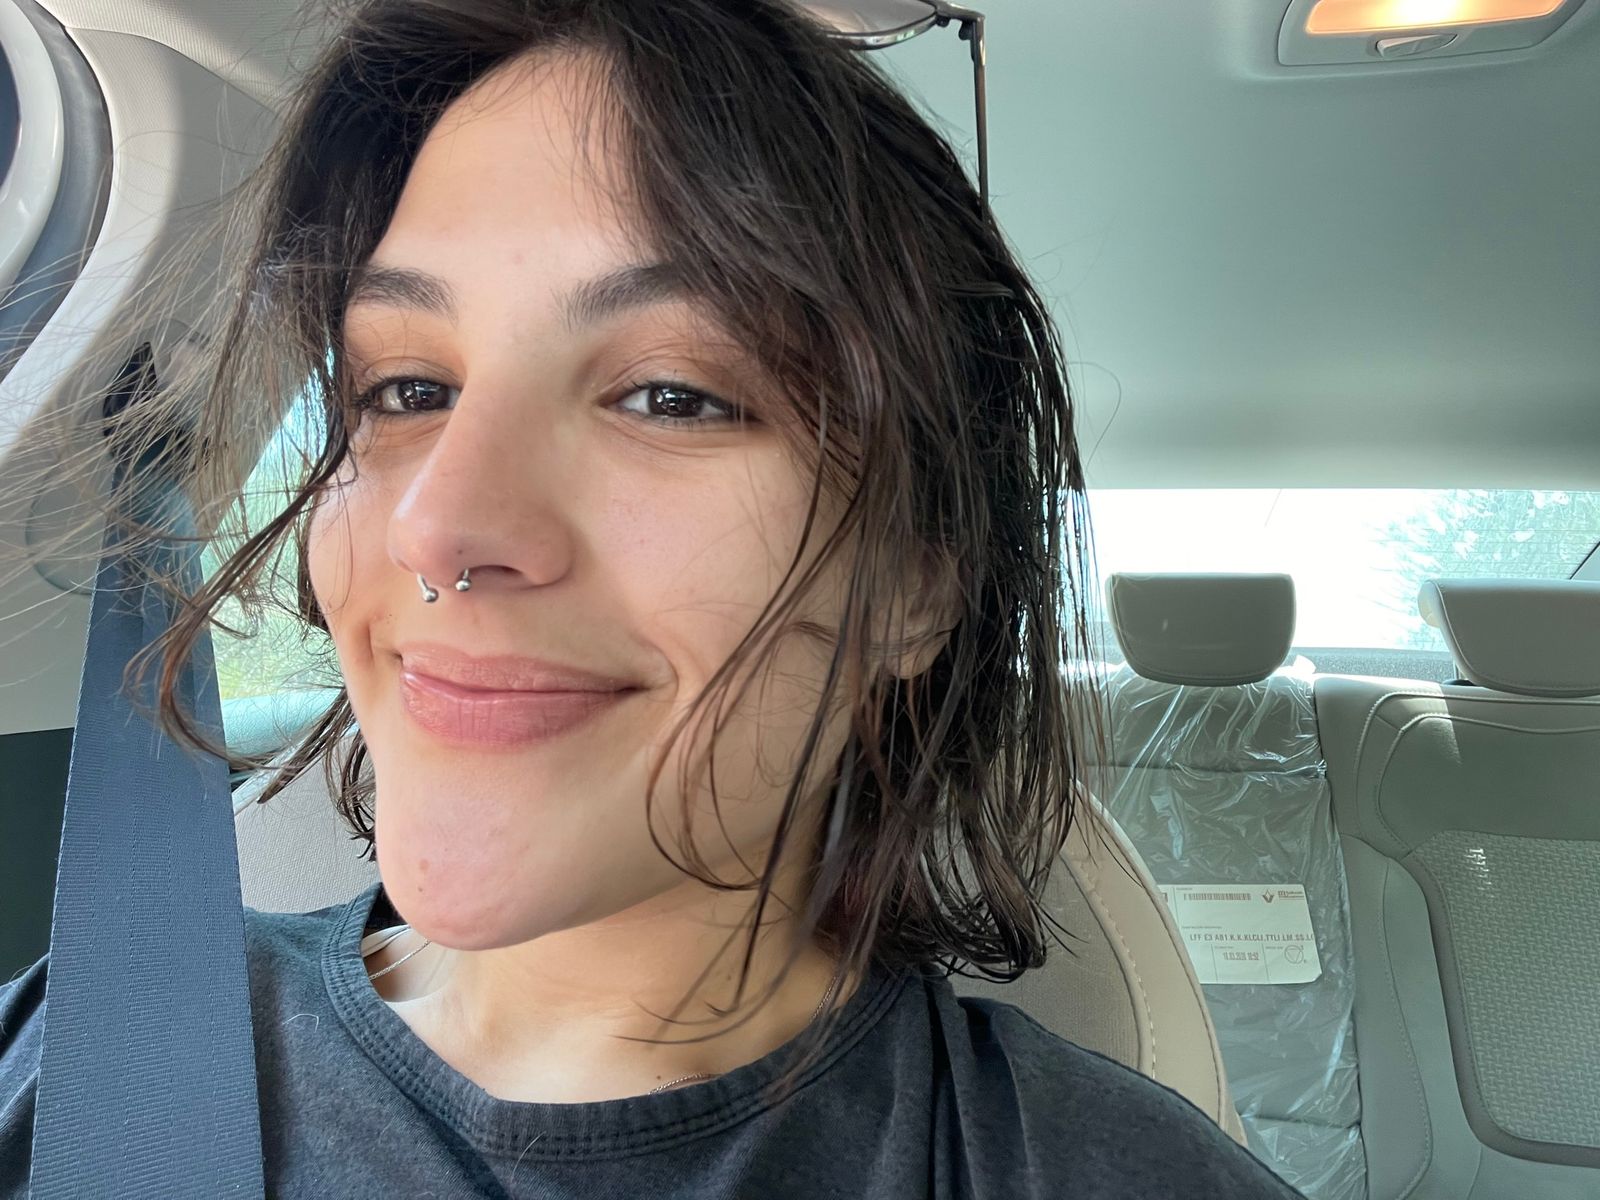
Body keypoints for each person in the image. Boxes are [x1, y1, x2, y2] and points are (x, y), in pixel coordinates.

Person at [0, 1, 1305, 1195]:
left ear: (918, 577)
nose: (435, 525)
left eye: (670, 396)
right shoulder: (83, 1060)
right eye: (405, 390)